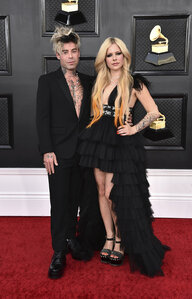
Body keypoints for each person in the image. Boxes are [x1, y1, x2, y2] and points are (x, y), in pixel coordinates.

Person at [78, 37, 170, 277]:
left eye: (118, 53)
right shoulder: (100, 81)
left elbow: (154, 112)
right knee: (100, 190)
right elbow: (95, 112)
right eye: (109, 54)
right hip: (98, 139)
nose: (114, 58)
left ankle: (120, 240)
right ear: (104, 59)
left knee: (112, 194)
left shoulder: (134, 82)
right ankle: (108, 237)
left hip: (120, 141)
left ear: (125, 56)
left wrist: (134, 128)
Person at [36, 27, 104, 279]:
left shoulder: (89, 81)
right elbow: (42, 119)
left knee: (79, 201)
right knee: (60, 203)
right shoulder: (47, 82)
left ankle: (70, 238)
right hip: (59, 153)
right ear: (58, 55)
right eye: (65, 52)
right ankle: (57, 252)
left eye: (74, 51)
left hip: (84, 153)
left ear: (78, 53)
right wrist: (47, 150)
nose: (71, 56)